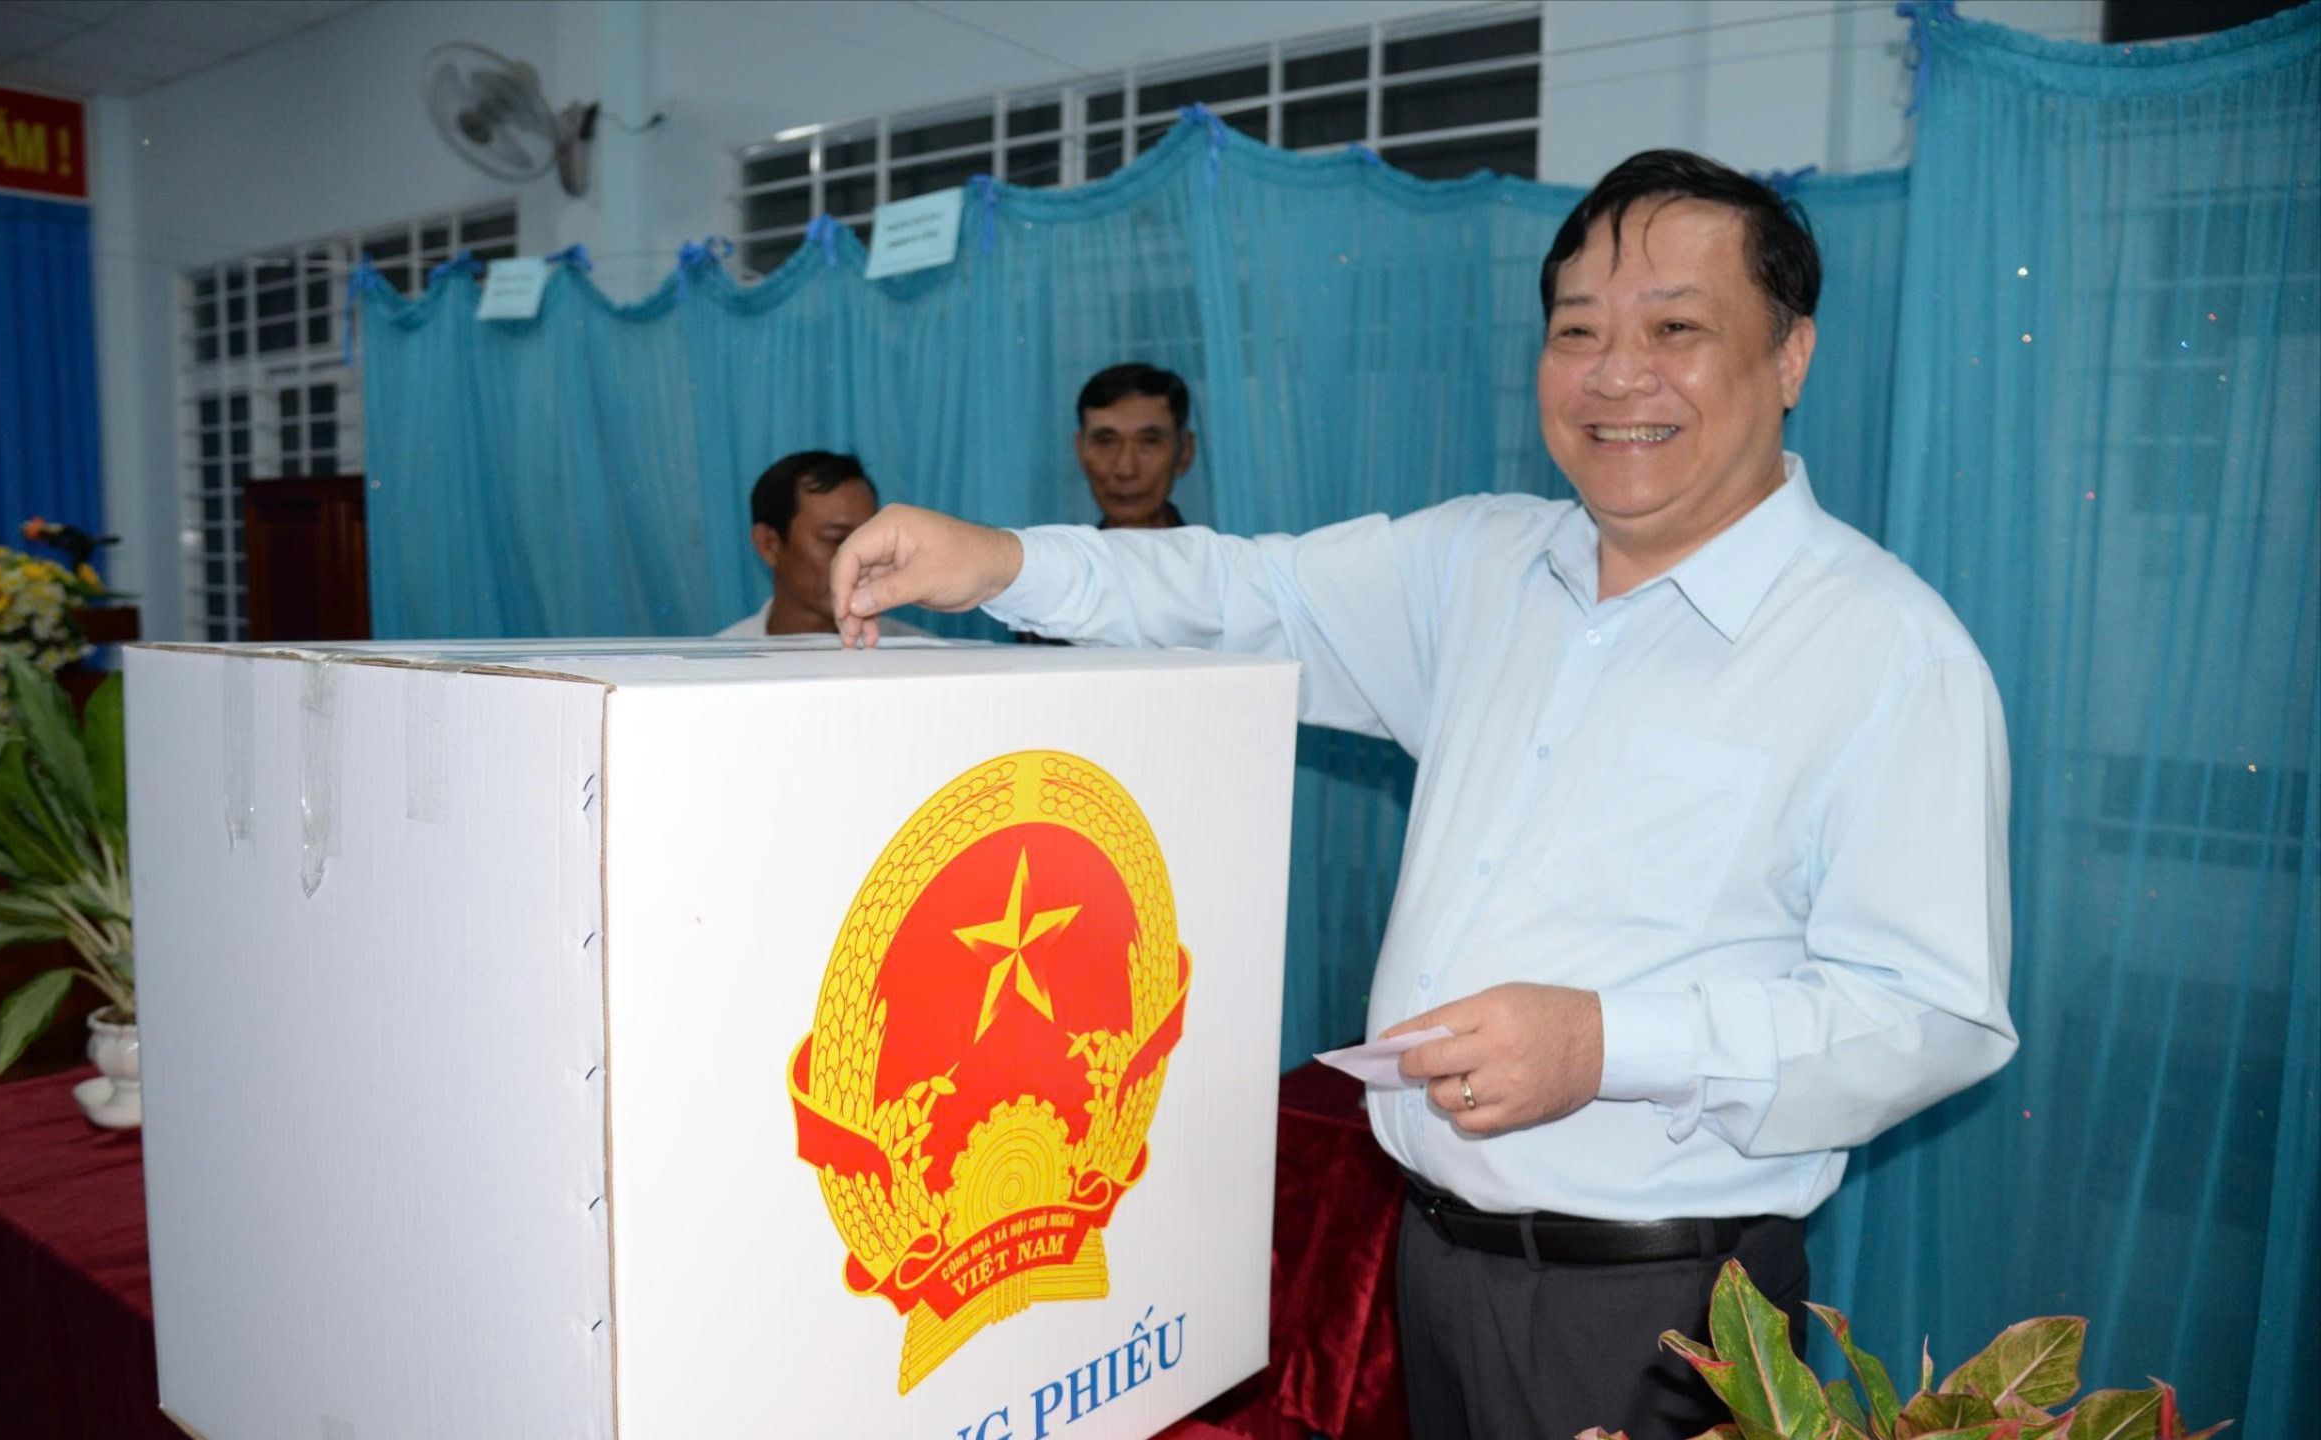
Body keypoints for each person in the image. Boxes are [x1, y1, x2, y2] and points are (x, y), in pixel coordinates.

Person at [826, 150, 2017, 1440]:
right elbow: (1246, 593)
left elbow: (1932, 1016)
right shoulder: (1482, 564)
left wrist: (1606, 1044)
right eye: (1577, 332)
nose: (1616, 375)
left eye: (1676, 329)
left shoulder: (1884, 650)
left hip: (1658, 1311)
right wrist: (1000, 563)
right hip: (1435, 1265)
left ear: (1789, 356)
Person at [717, 451, 928, 640]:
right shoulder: (720, 666)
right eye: (836, 539)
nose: (863, 559)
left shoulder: (922, 659)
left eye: (871, 540)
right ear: (769, 544)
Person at [1074, 362, 1196, 529]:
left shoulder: (1218, 546)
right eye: (1106, 442)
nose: (1126, 470)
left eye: (1149, 442)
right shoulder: (1056, 546)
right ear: (1081, 451)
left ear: (1185, 452)